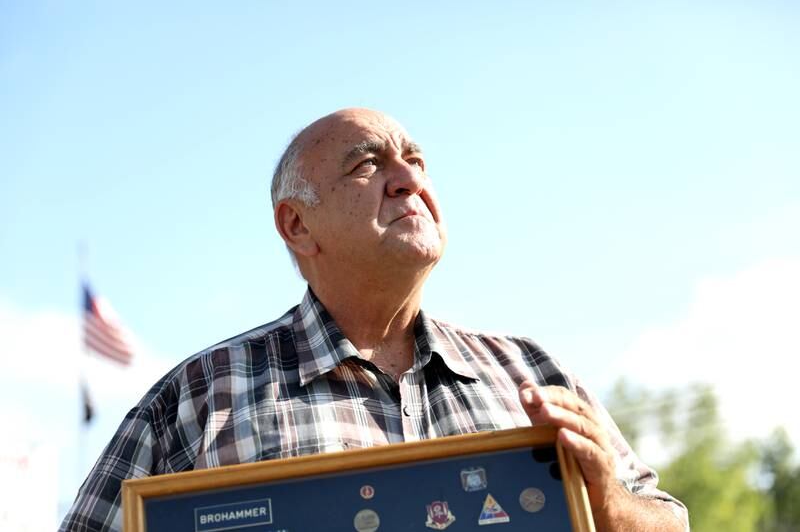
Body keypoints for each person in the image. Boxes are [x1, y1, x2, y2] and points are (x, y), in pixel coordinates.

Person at [60, 108, 688, 531]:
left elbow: (669, 522)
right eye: (368, 165)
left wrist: (606, 500)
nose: (408, 178)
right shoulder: (198, 397)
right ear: (296, 224)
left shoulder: (533, 370)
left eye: (415, 160)